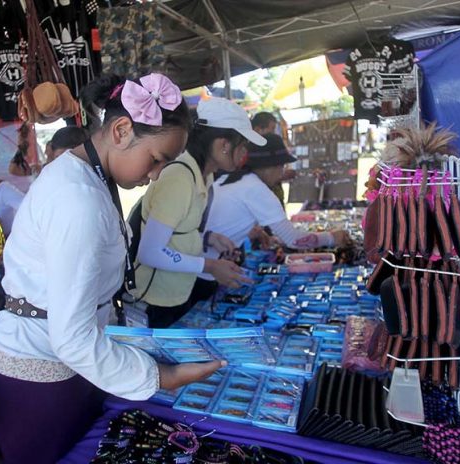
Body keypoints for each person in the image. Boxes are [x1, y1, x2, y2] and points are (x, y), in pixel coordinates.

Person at [0, 73, 223, 464]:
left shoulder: (86, 177)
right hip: (37, 371)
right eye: (157, 160)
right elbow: (71, 338)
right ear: (122, 130)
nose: (155, 175)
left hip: (56, 359)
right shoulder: (78, 200)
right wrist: (160, 376)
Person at [131, 98, 264, 328]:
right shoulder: (180, 178)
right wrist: (210, 266)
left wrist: (209, 238)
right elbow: (150, 252)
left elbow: (176, 230)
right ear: (223, 144)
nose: (244, 153)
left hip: (178, 291)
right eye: (242, 145)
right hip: (155, 301)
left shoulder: (204, 175)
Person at [192, 134, 351, 304]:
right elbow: (294, 240)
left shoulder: (231, 179)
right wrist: (333, 237)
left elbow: (222, 218)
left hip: (199, 262)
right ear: (269, 167)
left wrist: (253, 230)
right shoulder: (256, 188)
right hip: (204, 271)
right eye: (281, 166)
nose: (282, 172)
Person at [251, 112, 295, 207]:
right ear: (257, 130)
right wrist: (282, 176)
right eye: (272, 130)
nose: (274, 134)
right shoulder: (250, 154)